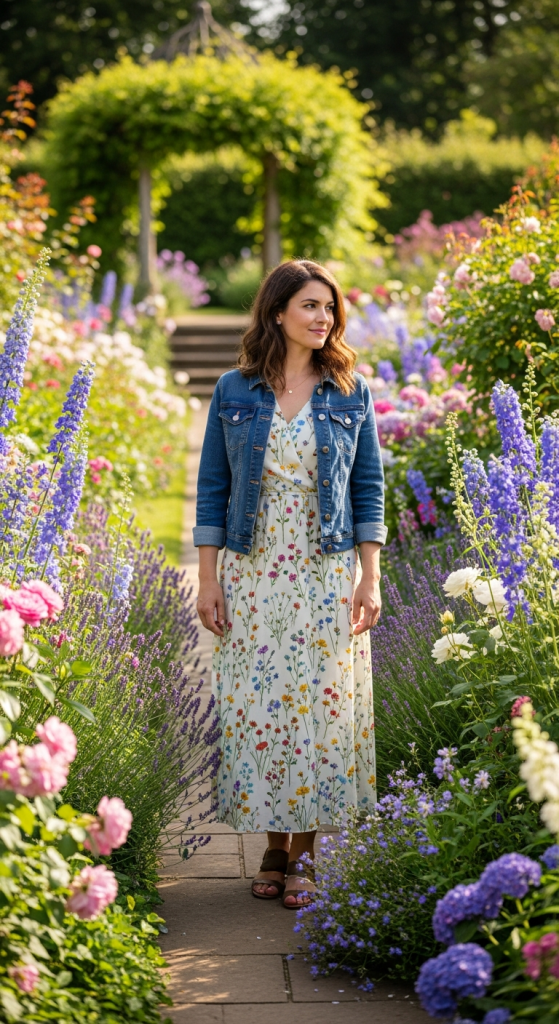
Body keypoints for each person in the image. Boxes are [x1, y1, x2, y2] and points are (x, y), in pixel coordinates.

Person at [194, 259, 386, 908]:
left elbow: (368, 487)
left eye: (329, 307)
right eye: (309, 305)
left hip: (325, 571)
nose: (322, 318)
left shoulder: (347, 390)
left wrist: (370, 576)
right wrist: (208, 579)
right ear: (276, 311)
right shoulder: (233, 390)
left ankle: (304, 852)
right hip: (253, 571)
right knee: (262, 712)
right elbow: (213, 489)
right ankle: (272, 843)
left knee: (318, 713)